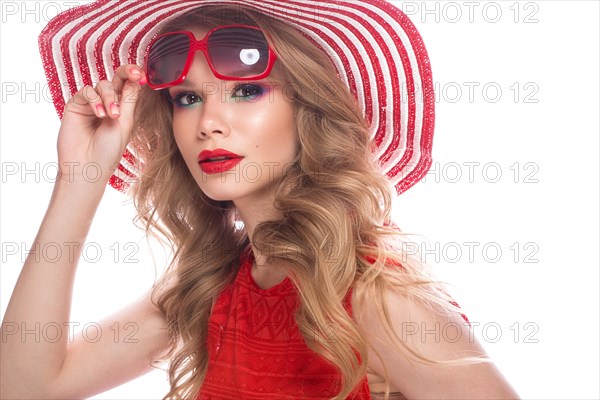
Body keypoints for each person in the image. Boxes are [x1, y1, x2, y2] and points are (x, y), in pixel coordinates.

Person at [1, 1, 520, 399]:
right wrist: (81, 177)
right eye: (187, 98)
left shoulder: (379, 301)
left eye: (247, 90)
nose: (208, 123)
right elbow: (27, 387)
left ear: (310, 110)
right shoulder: (211, 288)